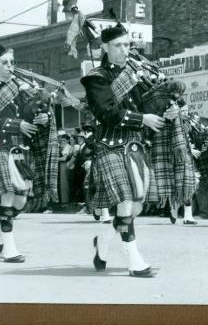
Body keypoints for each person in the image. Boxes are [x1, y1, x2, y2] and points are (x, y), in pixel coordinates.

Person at [81, 23, 165, 278]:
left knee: (135, 207)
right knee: (126, 202)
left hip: (134, 145)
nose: (124, 50)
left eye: (127, 45)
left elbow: (147, 103)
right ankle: (135, 261)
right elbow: (107, 112)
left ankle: (103, 243)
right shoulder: (96, 78)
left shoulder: (135, 74)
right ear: (105, 47)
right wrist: (143, 119)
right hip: (109, 145)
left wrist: (165, 108)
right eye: (118, 45)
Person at [0, 44, 45, 263]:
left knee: (21, 202)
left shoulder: (21, 89)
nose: (10, 66)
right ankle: (10, 249)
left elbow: (29, 116)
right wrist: (17, 125)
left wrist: (40, 119)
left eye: (12, 62)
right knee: (8, 196)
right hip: (0, 148)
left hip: (20, 149)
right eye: (4, 62)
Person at [191, 113, 208, 220]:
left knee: (204, 187)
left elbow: (204, 147)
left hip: (204, 162)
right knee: (207, 187)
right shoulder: (206, 131)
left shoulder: (206, 131)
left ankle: (206, 212)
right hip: (207, 162)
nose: (199, 122)